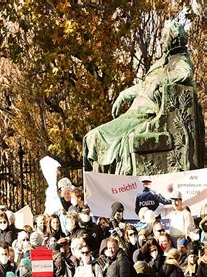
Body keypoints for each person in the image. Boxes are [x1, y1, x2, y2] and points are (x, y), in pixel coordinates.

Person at [83, 20, 194, 175]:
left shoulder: (179, 59)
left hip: (144, 116)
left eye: (163, 37)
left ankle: (105, 189)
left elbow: (185, 73)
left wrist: (161, 80)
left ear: (172, 39)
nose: (160, 41)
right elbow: (144, 86)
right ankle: (102, 190)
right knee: (92, 138)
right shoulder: (159, 64)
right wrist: (123, 95)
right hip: (132, 113)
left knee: (97, 137)